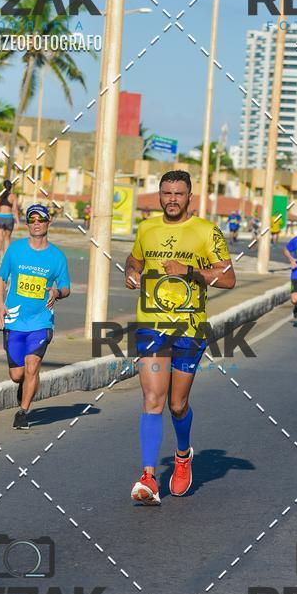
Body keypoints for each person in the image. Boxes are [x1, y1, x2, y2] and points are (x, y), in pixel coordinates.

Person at [124, 170, 236, 505]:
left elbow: (228, 278)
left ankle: (183, 454)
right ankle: (148, 477)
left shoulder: (206, 231)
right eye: (166, 193)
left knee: (177, 404)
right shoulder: (147, 228)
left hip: (189, 327)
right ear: (160, 195)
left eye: (178, 193)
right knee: (152, 399)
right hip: (152, 324)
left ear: (189, 197)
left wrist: (190, 272)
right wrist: (131, 271)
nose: (172, 199)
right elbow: (134, 259)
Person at [0, 204, 70, 430]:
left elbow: (66, 287)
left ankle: (23, 412)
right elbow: (1, 278)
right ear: (28, 224)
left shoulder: (57, 257)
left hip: (41, 321)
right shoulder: (15, 249)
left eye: (41, 219)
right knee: (17, 375)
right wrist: (0, 306)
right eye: (32, 220)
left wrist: (56, 293)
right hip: (15, 319)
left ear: (49, 222)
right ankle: (25, 384)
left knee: (32, 366)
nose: (36, 224)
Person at [0, 179, 20, 262]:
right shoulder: (13, 196)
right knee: (7, 238)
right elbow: (15, 209)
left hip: (0, 217)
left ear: (3, 186)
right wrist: (17, 221)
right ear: (11, 187)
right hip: (9, 218)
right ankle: (5, 257)